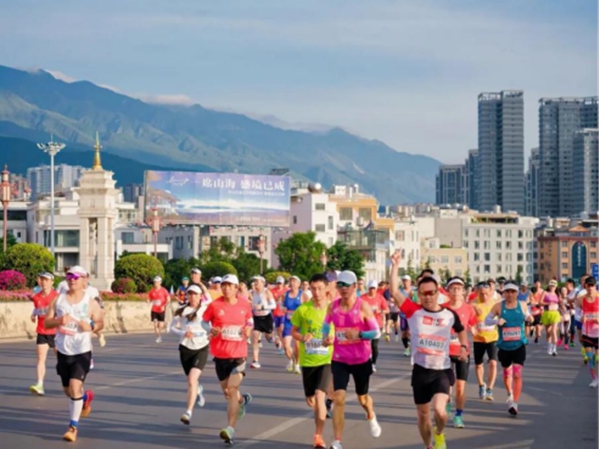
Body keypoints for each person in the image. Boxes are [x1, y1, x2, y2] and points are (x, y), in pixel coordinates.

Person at [390, 251, 469, 449]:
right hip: (420, 370)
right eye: (423, 293)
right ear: (419, 294)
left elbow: (461, 330)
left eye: (431, 293)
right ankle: (428, 445)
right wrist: (395, 266)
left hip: (442, 370)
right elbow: (394, 291)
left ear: (437, 293)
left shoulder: (449, 314)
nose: (427, 297)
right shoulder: (413, 311)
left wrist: (464, 347)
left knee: (440, 411)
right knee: (423, 414)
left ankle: (439, 433)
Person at [322, 270, 382, 449]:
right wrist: (326, 337)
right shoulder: (332, 307)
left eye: (347, 285)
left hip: (361, 360)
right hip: (340, 359)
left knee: (362, 398)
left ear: (355, 287)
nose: (343, 288)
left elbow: (376, 332)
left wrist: (360, 334)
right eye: (340, 285)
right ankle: (337, 441)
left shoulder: (363, 306)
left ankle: (371, 415)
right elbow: (326, 325)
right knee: (339, 398)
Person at [44, 265, 104, 442]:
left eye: (76, 277)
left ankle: (73, 428)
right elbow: (46, 323)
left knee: (75, 387)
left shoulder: (90, 302)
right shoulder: (58, 300)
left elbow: (101, 322)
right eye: (69, 276)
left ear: (84, 279)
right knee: (68, 391)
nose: (72, 279)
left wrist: (91, 326)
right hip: (63, 351)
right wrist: (58, 320)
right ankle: (85, 398)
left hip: (82, 351)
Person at [202, 274, 253, 445]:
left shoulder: (244, 304)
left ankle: (230, 429)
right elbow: (204, 322)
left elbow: (250, 321)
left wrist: (248, 329)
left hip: (239, 354)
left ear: (236, 288)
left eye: (230, 285)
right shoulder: (214, 305)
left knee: (232, 389)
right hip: (220, 354)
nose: (226, 288)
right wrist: (210, 330)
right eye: (224, 285)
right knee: (227, 392)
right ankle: (242, 400)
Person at [291, 273, 334, 449]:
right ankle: (319, 425)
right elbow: (294, 331)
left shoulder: (333, 310)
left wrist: (332, 339)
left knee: (319, 395)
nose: (316, 292)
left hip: (326, 359)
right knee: (311, 400)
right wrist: (302, 337)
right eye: (313, 289)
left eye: (320, 289)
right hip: (308, 361)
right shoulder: (303, 310)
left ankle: (318, 435)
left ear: (326, 288)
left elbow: (341, 331)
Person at [484, 281, 533, 415]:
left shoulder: (522, 305)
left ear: (517, 293)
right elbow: (486, 320)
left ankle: (514, 403)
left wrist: (530, 318)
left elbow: (528, 315)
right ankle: (509, 393)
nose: (510, 294)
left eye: (513, 291)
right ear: (504, 293)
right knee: (507, 373)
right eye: (507, 292)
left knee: (517, 374)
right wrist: (496, 321)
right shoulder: (498, 306)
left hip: (519, 345)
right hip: (504, 347)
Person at [169, 284, 212, 424]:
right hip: (185, 348)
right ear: (187, 295)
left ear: (200, 296)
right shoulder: (182, 310)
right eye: (190, 294)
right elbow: (171, 328)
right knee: (191, 381)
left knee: (192, 379)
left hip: (201, 347)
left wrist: (212, 333)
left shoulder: (205, 310)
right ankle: (198, 390)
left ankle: (188, 412)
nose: (193, 297)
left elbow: (212, 325)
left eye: (195, 294)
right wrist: (183, 333)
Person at [441, 276, 478, 429]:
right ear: (448, 291)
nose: (456, 291)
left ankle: (458, 416)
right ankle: (447, 403)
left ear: (463, 291)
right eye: (453, 288)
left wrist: (475, 331)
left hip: (462, 352)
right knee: (446, 386)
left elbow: (474, 326)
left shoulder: (469, 309)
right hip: (445, 353)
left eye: (459, 289)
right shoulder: (441, 308)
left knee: (460, 387)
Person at [29, 272, 59, 396]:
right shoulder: (36, 297)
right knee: (41, 359)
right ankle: (40, 384)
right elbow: (37, 308)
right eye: (42, 280)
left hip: (56, 332)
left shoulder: (57, 296)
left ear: (52, 282)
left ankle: (70, 380)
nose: (44, 282)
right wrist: (33, 314)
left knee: (62, 360)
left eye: (46, 280)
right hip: (42, 331)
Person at [472, 280, 499, 401]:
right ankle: (481, 386)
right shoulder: (473, 303)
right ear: (478, 292)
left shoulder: (496, 303)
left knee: (493, 363)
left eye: (486, 294)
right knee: (479, 365)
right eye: (481, 294)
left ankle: (490, 389)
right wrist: (471, 327)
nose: (484, 296)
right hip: (478, 338)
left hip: (493, 338)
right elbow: (467, 316)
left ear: (490, 292)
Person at [361, 280, 389, 372]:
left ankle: (373, 363)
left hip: (377, 324)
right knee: (366, 345)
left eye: (374, 288)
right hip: (366, 325)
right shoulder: (363, 298)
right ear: (368, 288)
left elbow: (387, 310)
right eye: (370, 288)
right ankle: (366, 362)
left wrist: (380, 311)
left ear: (376, 289)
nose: (372, 290)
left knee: (374, 345)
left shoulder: (380, 298)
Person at [249, 276, 276, 369]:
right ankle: (255, 361)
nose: (255, 283)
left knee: (269, 338)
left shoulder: (267, 292)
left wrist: (263, 307)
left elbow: (274, 305)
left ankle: (276, 340)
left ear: (263, 283)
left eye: (257, 281)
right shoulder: (252, 292)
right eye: (254, 281)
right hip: (257, 318)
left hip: (266, 318)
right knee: (255, 338)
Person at [578, 276, 599, 387]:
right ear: (585, 286)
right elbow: (578, 314)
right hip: (587, 332)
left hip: (598, 332)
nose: (590, 288)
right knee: (590, 358)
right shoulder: (581, 299)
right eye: (588, 285)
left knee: (597, 358)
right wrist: (581, 318)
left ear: (595, 286)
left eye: (592, 285)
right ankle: (595, 379)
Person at [282, 276, 303, 373]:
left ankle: (297, 365)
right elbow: (282, 304)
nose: (292, 283)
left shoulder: (302, 295)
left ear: (299, 284)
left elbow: (308, 307)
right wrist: (283, 308)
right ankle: (292, 360)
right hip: (288, 322)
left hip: (298, 324)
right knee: (286, 346)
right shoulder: (286, 294)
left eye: (294, 281)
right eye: (291, 281)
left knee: (297, 346)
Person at [148, 276, 170, 343]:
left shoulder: (164, 290)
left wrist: (164, 305)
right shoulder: (152, 291)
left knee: (160, 325)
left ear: (160, 282)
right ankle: (158, 337)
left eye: (157, 282)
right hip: (154, 310)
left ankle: (166, 325)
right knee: (155, 324)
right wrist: (148, 301)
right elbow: (150, 298)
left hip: (161, 310)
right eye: (155, 282)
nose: (155, 283)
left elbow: (168, 299)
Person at [541, 280, 561, 356]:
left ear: (556, 287)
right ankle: (549, 346)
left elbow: (561, 302)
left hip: (555, 313)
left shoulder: (557, 294)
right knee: (548, 332)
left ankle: (554, 349)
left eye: (553, 286)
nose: (552, 287)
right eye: (551, 286)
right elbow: (540, 302)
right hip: (547, 313)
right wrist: (548, 303)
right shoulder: (545, 293)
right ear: (549, 286)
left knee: (553, 331)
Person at [270, 276, 288, 352]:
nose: (279, 285)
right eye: (278, 283)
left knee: (281, 329)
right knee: (278, 331)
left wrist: (283, 300)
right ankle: (281, 345)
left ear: (283, 284)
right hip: (275, 313)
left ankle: (283, 346)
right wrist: (275, 300)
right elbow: (270, 299)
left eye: (280, 283)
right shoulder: (272, 291)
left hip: (283, 313)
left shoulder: (286, 290)